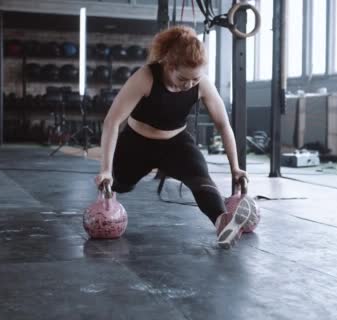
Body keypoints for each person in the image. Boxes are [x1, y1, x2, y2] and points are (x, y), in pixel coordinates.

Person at [94, 25, 256, 248]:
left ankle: (222, 223)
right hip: (137, 144)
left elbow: (223, 125)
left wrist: (235, 168)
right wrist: (105, 169)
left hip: (176, 144)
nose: (189, 85)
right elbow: (112, 121)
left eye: (195, 79)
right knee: (119, 184)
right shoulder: (145, 77)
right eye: (183, 79)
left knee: (201, 180)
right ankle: (108, 203)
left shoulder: (202, 84)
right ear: (168, 65)